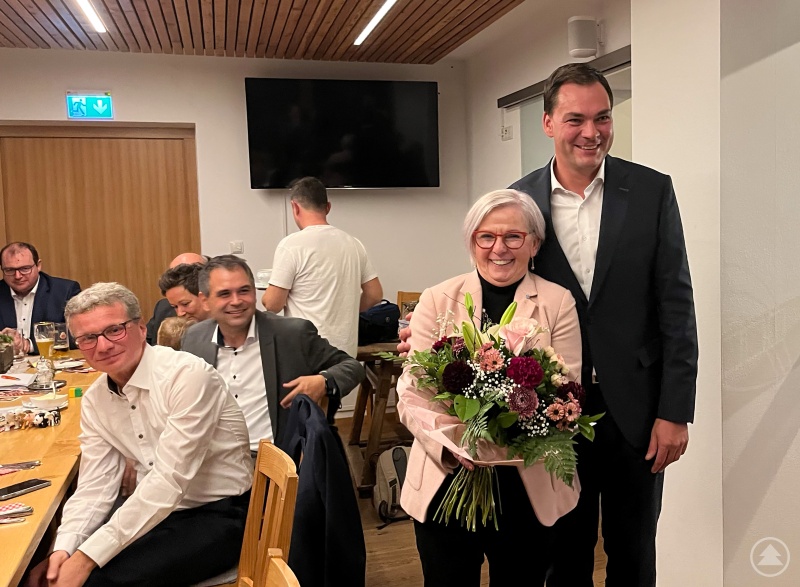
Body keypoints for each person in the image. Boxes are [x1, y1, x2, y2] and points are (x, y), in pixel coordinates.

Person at [509, 63, 698, 586]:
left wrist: (675, 411)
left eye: (603, 118)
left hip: (637, 415)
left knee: (634, 555)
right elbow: (497, 297)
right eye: (575, 119)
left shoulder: (652, 192)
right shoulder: (518, 201)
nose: (591, 132)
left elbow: (676, 306)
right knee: (562, 558)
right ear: (547, 123)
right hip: (550, 416)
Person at [397, 189, 583, 586]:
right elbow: (413, 393)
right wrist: (457, 444)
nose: (500, 248)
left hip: (525, 483)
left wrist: (499, 431)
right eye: (487, 237)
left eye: (513, 237)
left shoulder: (558, 302)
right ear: (472, 242)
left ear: (534, 243)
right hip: (446, 477)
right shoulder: (436, 299)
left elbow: (567, 393)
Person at [25, 282, 252, 587]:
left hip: (220, 513)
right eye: (89, 337)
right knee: (47, 571)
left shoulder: (187, 376)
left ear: (141, 328)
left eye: (114, 330)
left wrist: (85, 558)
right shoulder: (95, 400)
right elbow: (95, 487)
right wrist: (64, 549)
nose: (103, 346)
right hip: (156, 513)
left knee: (93, 581)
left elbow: (169, 481)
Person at [182, 255, 364, 451]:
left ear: (254, 292)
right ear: (205, 301)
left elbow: (352, 367)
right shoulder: (194, 340)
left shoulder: (292, 334)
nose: (236, 301)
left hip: (273, 461)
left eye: (244, 291)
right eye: (224, 294)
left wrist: (323, 381)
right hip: (212, 460)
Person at [261, 176, 383, 357]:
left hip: (306, 353)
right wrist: (345, 309)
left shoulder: (291, 245)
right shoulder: (354, 244)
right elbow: (375, 295)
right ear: (328, 207)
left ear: (294, 207)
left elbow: (272, 304)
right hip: (345, 355)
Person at [0, 241, 81, 355]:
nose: (18, 276)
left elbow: (79, 335)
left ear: (38, 266)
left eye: (25, 268)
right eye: (10, 270)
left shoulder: (65, 291)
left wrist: (29, 345)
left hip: (53, 364)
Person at [145, 252, 206, 345]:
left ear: (204, 297)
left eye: (185, 304)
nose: (180, 313)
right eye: (175, 307)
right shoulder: (162, 309)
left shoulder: (227, 328)